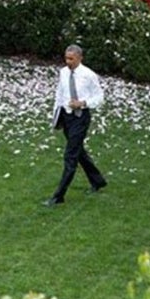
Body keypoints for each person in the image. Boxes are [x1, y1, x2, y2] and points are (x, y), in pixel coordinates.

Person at [44, 44, 106, 207]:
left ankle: (59, 196)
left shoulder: (89, 75)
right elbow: (60, 94)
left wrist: (82, 103)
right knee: (79, 151)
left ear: (80, 58)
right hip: (67, 117)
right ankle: (97, 181)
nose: (68, 62)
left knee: (70, 155)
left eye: (71, 59)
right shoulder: (63, 73)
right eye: (66, 58)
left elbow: (99, 97)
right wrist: (56, 117)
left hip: (80, 118)